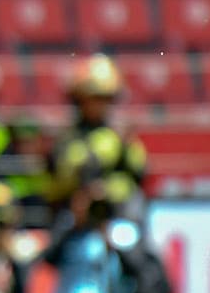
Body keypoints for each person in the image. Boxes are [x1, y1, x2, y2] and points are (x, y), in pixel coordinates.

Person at [46, 54, 148, 225]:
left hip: (115, 215)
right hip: (75, 214)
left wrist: (106, 190)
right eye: (91, 98)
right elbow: (61, 176)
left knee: (139, 246)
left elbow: (137, 174)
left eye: (104, 99)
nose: (98, 105)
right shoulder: (66, 138)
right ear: (78, 100)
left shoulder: (122, 136)